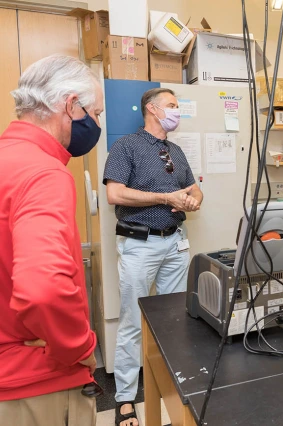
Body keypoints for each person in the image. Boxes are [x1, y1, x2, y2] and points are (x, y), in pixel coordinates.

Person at [0, 55, 103, 425]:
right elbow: (42, 289)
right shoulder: (43, 172)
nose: (97, 124)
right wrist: (80, 348)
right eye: (96, 114)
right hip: (33, 383)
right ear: (71, 105)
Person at [103, 87, 203, 426]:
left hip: (175, 242)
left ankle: (176, 392)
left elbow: (194, 188)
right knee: (134, 320)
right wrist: (164, 198)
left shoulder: (175, 150)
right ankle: (126, 399)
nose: (177, 111)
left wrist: (192, 199)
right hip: (139, 245)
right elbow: (114, 193)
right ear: (152, 109)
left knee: (176, 318)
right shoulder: (126, 146)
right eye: (172, 106)